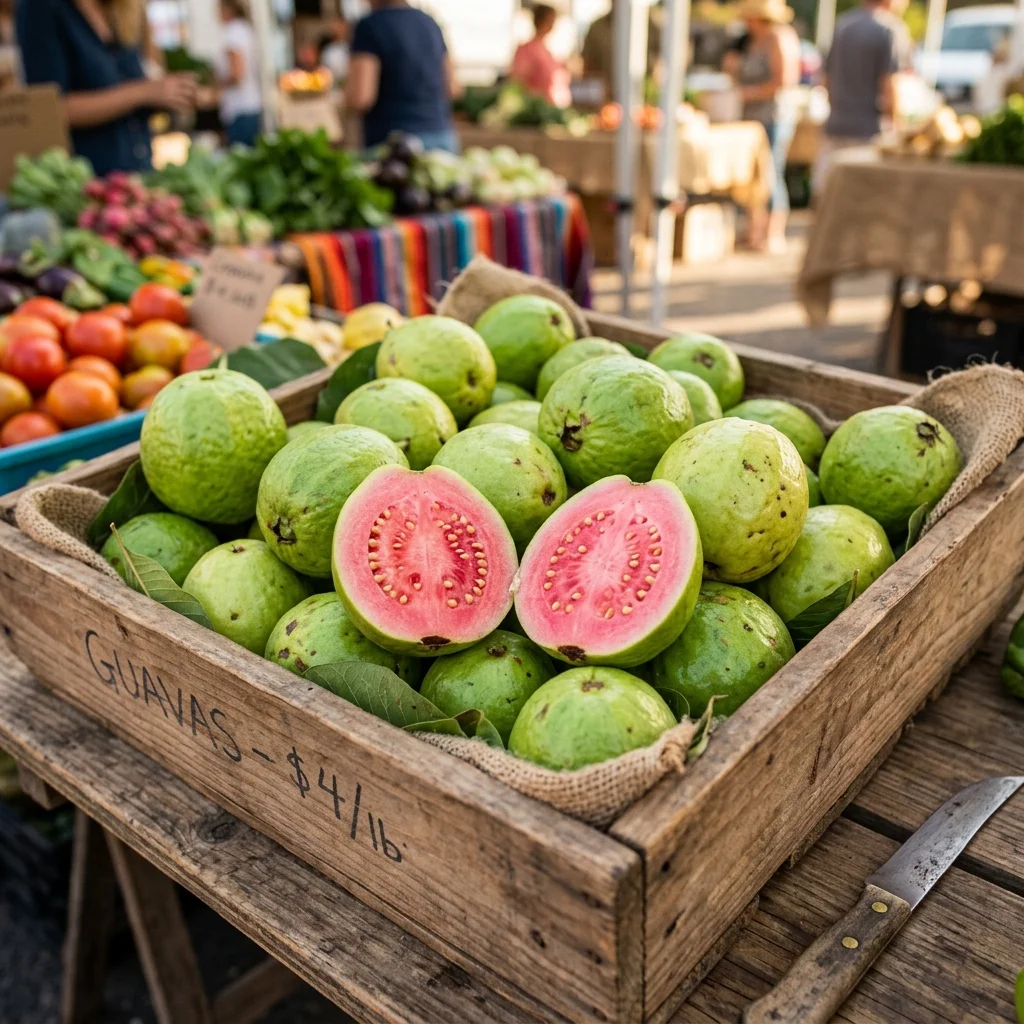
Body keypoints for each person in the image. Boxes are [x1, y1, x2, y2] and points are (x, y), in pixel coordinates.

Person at [17, 0, 196, 175]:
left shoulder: (121, 10)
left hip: (139, 172)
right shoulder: (42, 7)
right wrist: (142, 92)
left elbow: (132, 96)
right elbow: (50, 108)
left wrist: (167, 95)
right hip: (87, 179)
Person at [813, 0, 912, 194]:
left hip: (837, 124)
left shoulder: (842, 25)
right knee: (863, 196)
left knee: (828, 193)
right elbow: (890, 85)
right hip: (870, 131)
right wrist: (896, 125)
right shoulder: (890, 28)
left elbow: (825, 80)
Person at [729, 0, 801, 252]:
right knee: (754, 175)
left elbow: (786, 79)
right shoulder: (749, 40)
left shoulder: (780, 37)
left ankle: (773, 234)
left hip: (773, 116)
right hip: (751, 117)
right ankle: (754, 231)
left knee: (771, 172)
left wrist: (752, 93)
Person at [344, 0, 459, 152]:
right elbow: (453, 89)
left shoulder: (370, 26)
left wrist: (342, 100)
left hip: (395, 145)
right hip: (441, 138)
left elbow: (361, 98)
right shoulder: (430, 23)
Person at [581, 2, 663, 106]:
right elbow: (587, 67)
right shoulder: (597, 28)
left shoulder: (652, 24)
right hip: (607, 103)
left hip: (645, 101)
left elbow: (662, 61)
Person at [217, 0, 263, 147]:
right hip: (251, 104)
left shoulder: (233, 33)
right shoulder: (245, 29)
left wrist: (216, 82)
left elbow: (237, 74)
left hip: (239, 108)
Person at [511, 5, 571, 108]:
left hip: (551, 107)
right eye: (551, 21)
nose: (553, 25)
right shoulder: (527, 49)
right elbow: (518, 79)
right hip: (536, 107)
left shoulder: (549, 49)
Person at [318, 13, 351, 84]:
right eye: (335, 25)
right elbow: (324, 71)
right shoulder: (328, 50)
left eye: (341, 25)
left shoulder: (352, 48)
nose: (338, 28)